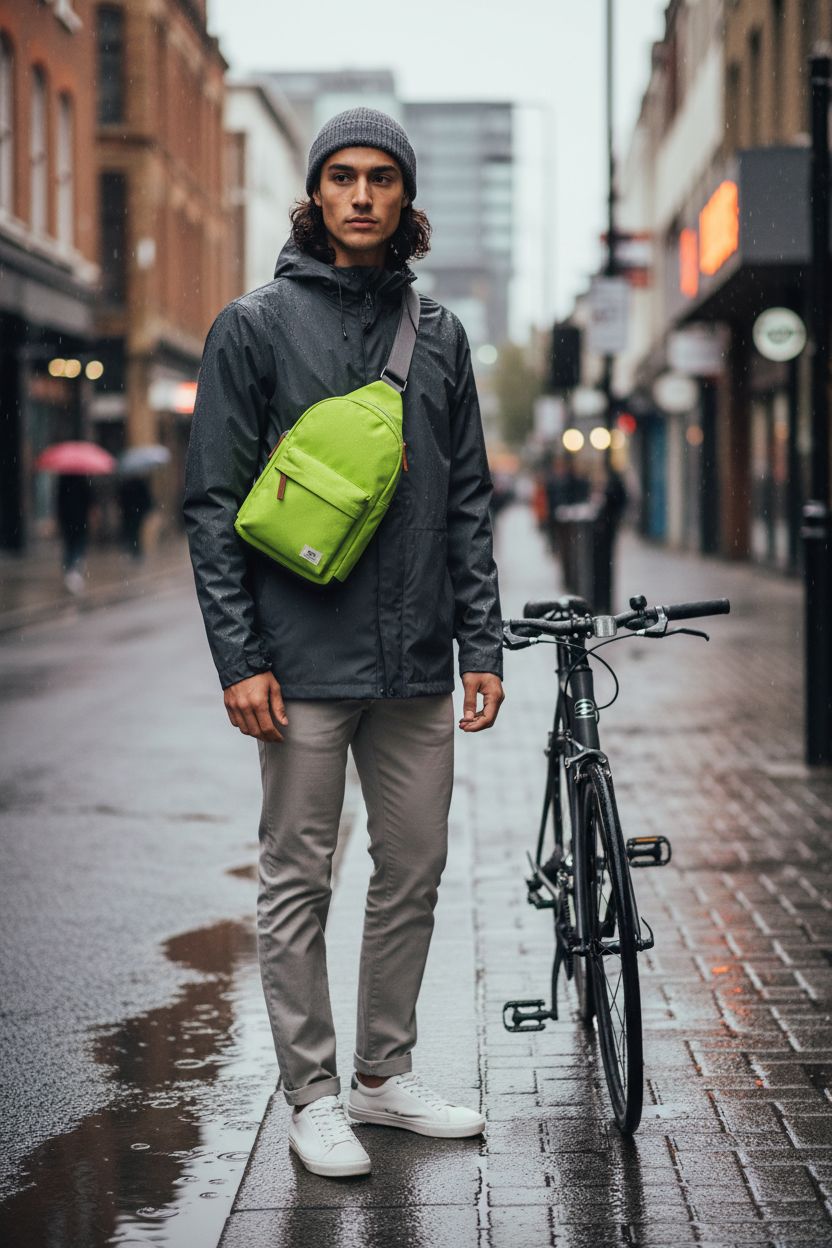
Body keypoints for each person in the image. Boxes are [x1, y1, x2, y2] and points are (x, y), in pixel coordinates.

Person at [184, 108, 505, 1179]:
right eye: (341, 177)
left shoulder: (443, 335)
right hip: (300, 662)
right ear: (315, 195)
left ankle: (383, 1076)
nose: (361, 195)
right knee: (299, 879)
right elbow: (214, 503)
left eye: (380, 179)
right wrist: (240, 658)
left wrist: (484, 647)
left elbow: (467, 502)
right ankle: (312, 1094)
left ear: (405, 201)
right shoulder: (254, 325)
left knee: (412, 869)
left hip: (417, 660)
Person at [56, 473, 93, 595]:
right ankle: (74, 571)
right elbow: (89, 501)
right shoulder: (83, 481)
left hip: (68, 521)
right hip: (80, 520)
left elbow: (59, 502)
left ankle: (70, 571)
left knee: (70, 545)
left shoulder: (63, 480)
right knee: (77, 545)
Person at [117, 474, 154, 561]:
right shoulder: (133, 485)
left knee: (133, 532)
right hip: (132, 514)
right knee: (133, 532)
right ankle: (134, 550)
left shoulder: (128, 485)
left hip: (132, 514)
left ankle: (135, 550)